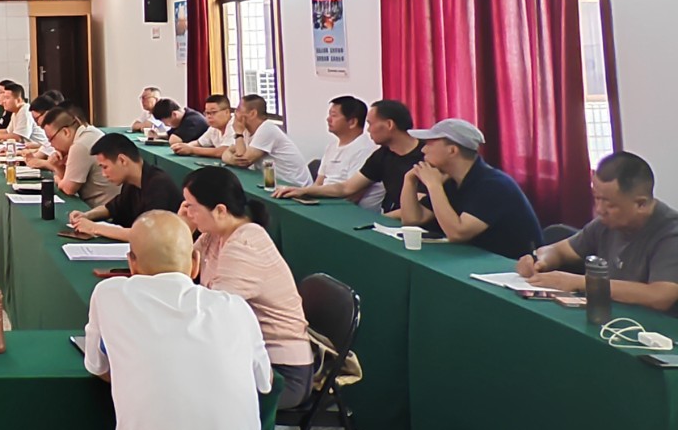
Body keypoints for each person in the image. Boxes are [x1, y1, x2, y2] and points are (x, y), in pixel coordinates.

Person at [83, 211, 271, 430]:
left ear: (131, 263)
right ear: (195, 263)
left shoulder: (108, 294)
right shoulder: (236, 307)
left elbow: (98, 367)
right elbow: (265, 382)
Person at [179, 166, 313, 410]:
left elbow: (213, 316)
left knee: (184, 390)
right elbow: (177, 270)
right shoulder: (214, 235)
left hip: (280, 371)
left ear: (220, 210)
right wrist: (182, 229)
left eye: (191, 206)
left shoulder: (244, 245)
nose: (187, 212)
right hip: (242, 357)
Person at [519, 152, 678, 313]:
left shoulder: (671, 232)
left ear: (641, 204)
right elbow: (558, 250)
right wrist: (540, 260)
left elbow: (660, 296)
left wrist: (581, 283)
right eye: (597, 198)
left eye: (610, 204)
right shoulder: (605, 224)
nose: (600, 210)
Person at [399, 119, 544, 258]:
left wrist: (434, 186)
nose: (423, 149)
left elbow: (457, 233)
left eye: (430, 144)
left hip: (510, 266)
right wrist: (409, 181)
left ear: (452, 150)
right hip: (477, 259)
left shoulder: (494, 185)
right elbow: (412, 220)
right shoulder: (452, 181)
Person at [275, 99, 419, 214]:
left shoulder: (423, 156)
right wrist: (303, 191)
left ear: (389, 125)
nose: (368, 130)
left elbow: (420, 209)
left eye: (370, 124)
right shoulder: (382, 155)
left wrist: (381, 221)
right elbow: (347, 188)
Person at [69, 133, 182, 242]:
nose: (103, 174)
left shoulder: (158, 185)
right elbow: (112, 208)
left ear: (122, 160)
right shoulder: (131, 181)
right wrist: (86, 215)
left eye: (105, 167)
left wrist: (94, 228)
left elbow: (146, 235)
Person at [33, 107, 119, 207]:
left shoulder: (80, 145)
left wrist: (57, 179)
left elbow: (68, 189)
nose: (51, 145)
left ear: (66, 132)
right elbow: (67, 182)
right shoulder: (90, 132)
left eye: (51, 139)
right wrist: (58, 167)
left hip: (102, 210)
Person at [222, 95, 310, 187]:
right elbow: (227, 152)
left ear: (252, 113)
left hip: (296, 187)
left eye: (238, 109)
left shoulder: (267, 128)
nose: (235, 113)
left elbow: (244, 161)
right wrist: (233, 159)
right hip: (273, 185)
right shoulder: (246, 130)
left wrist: (238, 134)